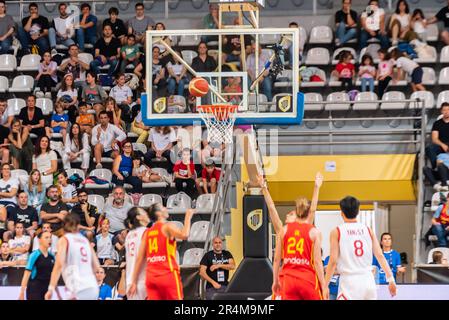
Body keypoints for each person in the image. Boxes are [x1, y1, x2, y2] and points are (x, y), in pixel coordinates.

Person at [258, 173, 327, 300]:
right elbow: (272, 209)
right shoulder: (282, 229)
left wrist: (317, 187)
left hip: (293, 278)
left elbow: (312, 209)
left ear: (299, 215)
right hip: (288, 278)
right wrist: (264, 189)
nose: (287, 215)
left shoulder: (305, 226)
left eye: (291, 213)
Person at [324, 196, 397, 300]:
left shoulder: (337, 231)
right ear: (358, 211)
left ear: (341, 212)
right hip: (368, 281)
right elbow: (380, 255)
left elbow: (333, 261)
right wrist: (391, 280)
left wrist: (325, 285)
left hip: (349, 283)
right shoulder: (368, 230)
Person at [128, 204, 195, 300]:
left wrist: (134, 281)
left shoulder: (147, 232)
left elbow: (139, 258)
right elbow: (184, 235)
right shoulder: (167, 226)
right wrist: (188, 216)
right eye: (163, 207)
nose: (166, 208)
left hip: (151, 277)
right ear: (159, 213)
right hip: (167, 274)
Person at [45, 213, 100, 300]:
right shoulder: (85, 240)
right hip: (92, 287)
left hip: (78, 288)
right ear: (78, 225)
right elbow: (97, 266)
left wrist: (51, 288)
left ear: (64, 225)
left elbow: (58, 265)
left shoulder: (65, 239)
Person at [19, 231, 55, 300]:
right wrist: (22, 293)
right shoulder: (34, 255)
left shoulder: (52, 256)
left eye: (50, 237)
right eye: (46, 237)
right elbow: (26, 275)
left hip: (46, 290)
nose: (49, 239)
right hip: (34, 289)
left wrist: (57, 292)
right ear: (39, 240)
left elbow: (53, 275)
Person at [124, 207, 151, 300]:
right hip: (143, 279)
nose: (147, 214)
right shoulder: (147, 232)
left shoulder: (129, 234)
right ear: (139, 217)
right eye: (144, 212)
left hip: (129, 280)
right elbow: (141, 257)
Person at [426, 103, 449, 170]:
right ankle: (436, 167)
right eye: (444, 110)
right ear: (441, 111)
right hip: (441, 146)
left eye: (448, 109)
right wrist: (443, 145)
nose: (447, 112)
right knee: (429, 148)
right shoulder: (437, 123)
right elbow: (434, 139)